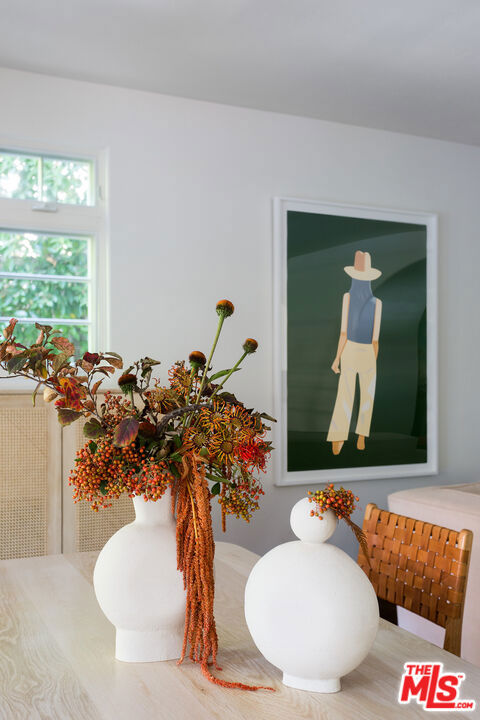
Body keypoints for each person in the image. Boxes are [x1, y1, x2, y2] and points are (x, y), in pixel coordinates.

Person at [327, 250, 382, 455]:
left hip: (349, 348)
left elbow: (343, 332)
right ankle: (361, 436)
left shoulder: (347, 297)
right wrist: (373, 359)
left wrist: (337, 358)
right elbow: (375, 339)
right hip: (368, 351)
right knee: (367, 394)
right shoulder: (377, 303)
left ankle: (338, 437)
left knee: (345, 393)